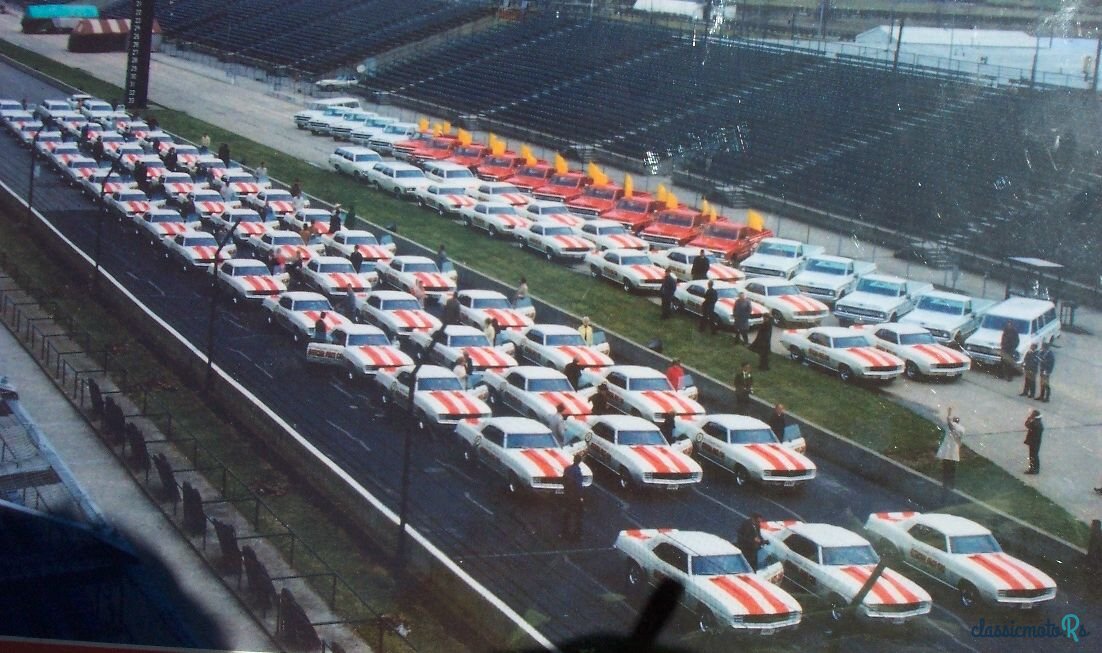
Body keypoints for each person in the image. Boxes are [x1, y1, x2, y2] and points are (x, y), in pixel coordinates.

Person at [936, 406, 965, 501]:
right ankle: (951, 485)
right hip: (954, 451)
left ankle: (945, 485)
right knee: (952, 469)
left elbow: (949, 423)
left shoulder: (951, 427)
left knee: (946, 468)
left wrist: (949, 413)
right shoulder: (962, 429)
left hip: (947, 451)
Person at [562, 454, 586, 542]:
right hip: (575, 497)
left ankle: (564, 532)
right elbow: (579, 486)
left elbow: (564, 480)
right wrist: (581, 497)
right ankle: (577, 535)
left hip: (567, 495)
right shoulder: (578, 472)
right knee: (578, 516)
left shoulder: (567, 469)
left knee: (567, 514)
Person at [1024, 409, 1043, 474]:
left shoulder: (1035, 424)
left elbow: (1027, 424)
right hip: (1035, 442)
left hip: (1034, 442)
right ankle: (1035, 468)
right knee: (1034, 455)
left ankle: (1033, 469)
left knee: (1033, 456)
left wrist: (1029, 419)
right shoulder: (1038, 423)